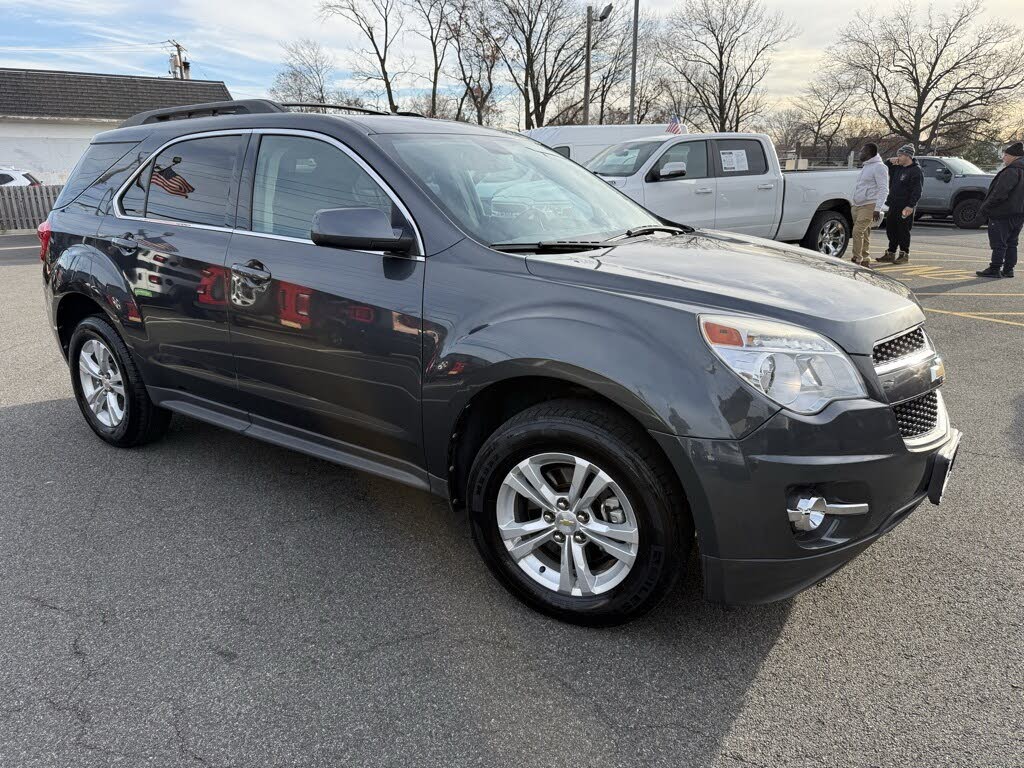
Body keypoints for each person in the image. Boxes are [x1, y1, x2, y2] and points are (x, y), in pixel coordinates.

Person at [976, 142, 1024, 279]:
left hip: (1003, 213)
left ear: (1014, 156)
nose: (1003, 158)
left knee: (999, 243)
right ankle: (1009, 269)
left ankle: (995, 268)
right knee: (1012, 242)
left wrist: (985, 208)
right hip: (1019, 214)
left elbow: (999, 194)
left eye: (1006, 155)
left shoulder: (1011, 171)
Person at [875, 144, 923, 265]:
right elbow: (884, 168)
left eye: (900, 155)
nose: (898, 157)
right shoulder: (898, 168)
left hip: (905, 206)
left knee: (903, 230)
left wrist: (910, 205)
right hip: (894, 204)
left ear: (907, 156)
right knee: (891, 229)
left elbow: (917, 190)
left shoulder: (916, 171)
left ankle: (904, 254)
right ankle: (890, 253)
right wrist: (889, 161)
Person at [850, 142, 889, 267]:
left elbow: (884, 189)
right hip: (857, 204)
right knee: (864, 232)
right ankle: (865, 258)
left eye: (863, 151)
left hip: (869, 205)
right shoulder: (866, 166)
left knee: (857, 231)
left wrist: (877, 208)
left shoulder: (879, 167)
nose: (860, 153)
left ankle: (857, 258)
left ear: (870, 153)